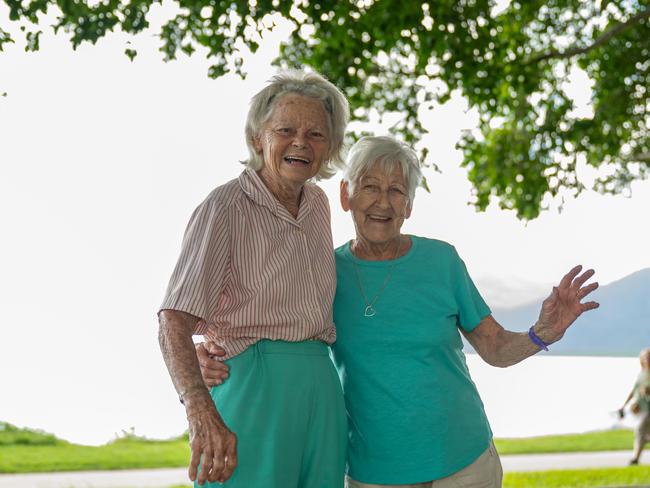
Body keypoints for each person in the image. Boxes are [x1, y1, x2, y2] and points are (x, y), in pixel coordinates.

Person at [199, 135, 600, 487]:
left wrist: (541, 333)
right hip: (375, 470)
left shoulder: (442, 261)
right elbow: (270, 324)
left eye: (396, 190)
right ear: (346, 196)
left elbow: (494, 347)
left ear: (408, 205)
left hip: (464, 462)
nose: (383, 201)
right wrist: (208, 352)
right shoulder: (322, 270)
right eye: (370, 187)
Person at [158, 69, 350, 487]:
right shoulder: (224, 207)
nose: (301, 142)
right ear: (258, 138)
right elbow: (173, 320)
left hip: (320, 384)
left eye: (316, 134)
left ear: (330, 147)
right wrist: (198, 408)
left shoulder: (318, 204)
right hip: (253, 386)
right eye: (286, 129)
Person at [618, 348, 650, 465]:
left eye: (649, 357)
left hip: (648, 409)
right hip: (641, 408)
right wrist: (624, 406)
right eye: (646, 357)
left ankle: (635, 458)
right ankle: (637, 455)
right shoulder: (641, 374)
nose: (647, 360)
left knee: (640, 430)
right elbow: (634, 390)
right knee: (644, 434)